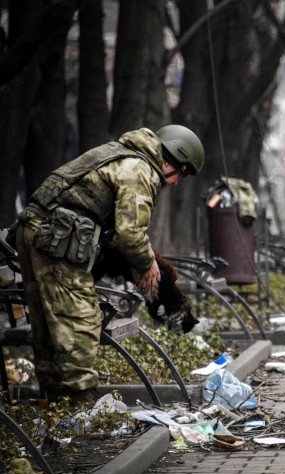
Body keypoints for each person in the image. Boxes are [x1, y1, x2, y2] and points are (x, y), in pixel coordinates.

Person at [15, 125, 204, 405]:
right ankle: (79, 407)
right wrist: (146, 263)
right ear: (171, 161)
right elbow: (129, 235)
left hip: (37, 232)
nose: (176, 183)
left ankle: (55, 405)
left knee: (49, 325)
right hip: (56, 240)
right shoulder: (141, 169)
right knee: (80, 322)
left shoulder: (121, 154)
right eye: (181, 174)